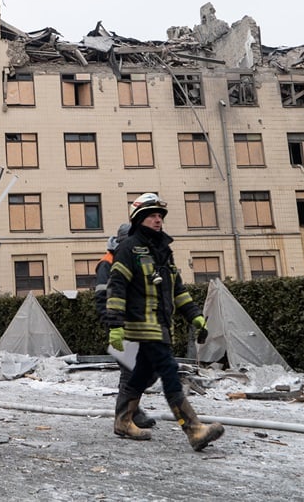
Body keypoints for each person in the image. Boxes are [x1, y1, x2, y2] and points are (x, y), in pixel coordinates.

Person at [106, 193, 224, 451]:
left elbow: (178, 290)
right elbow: (116, 289)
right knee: (169, 370)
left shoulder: (163, 251)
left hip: (161, 325)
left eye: (160, 216)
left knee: (143, 373)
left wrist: (195, 315)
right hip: (142, 325)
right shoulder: (128, 249)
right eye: (152, 216)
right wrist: (114, 324)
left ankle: (123, 420)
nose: (158, 220)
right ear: (139, 219)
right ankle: (193, 429)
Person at [94, 221, 157, 430]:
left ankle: (132, 410)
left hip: (139, 323)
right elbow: (103, 297)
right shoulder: (108, 263)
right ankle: (126, 417)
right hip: (120, 324)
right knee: (131, 371)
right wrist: (113, 325)